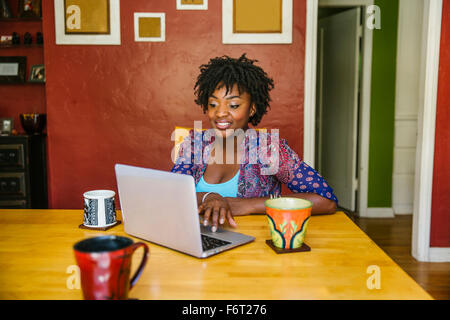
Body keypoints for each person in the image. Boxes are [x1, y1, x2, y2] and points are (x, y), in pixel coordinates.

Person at [171, 54, 337, 232]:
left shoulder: (268, 149)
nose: (220, 113)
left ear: (251, 109)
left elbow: (325, 201)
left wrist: (249, 205)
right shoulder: (196, 144)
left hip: (254, 245)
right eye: (213, 104)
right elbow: (172, 193)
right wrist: (209, 197)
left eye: (233, 105)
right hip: (199, 239)